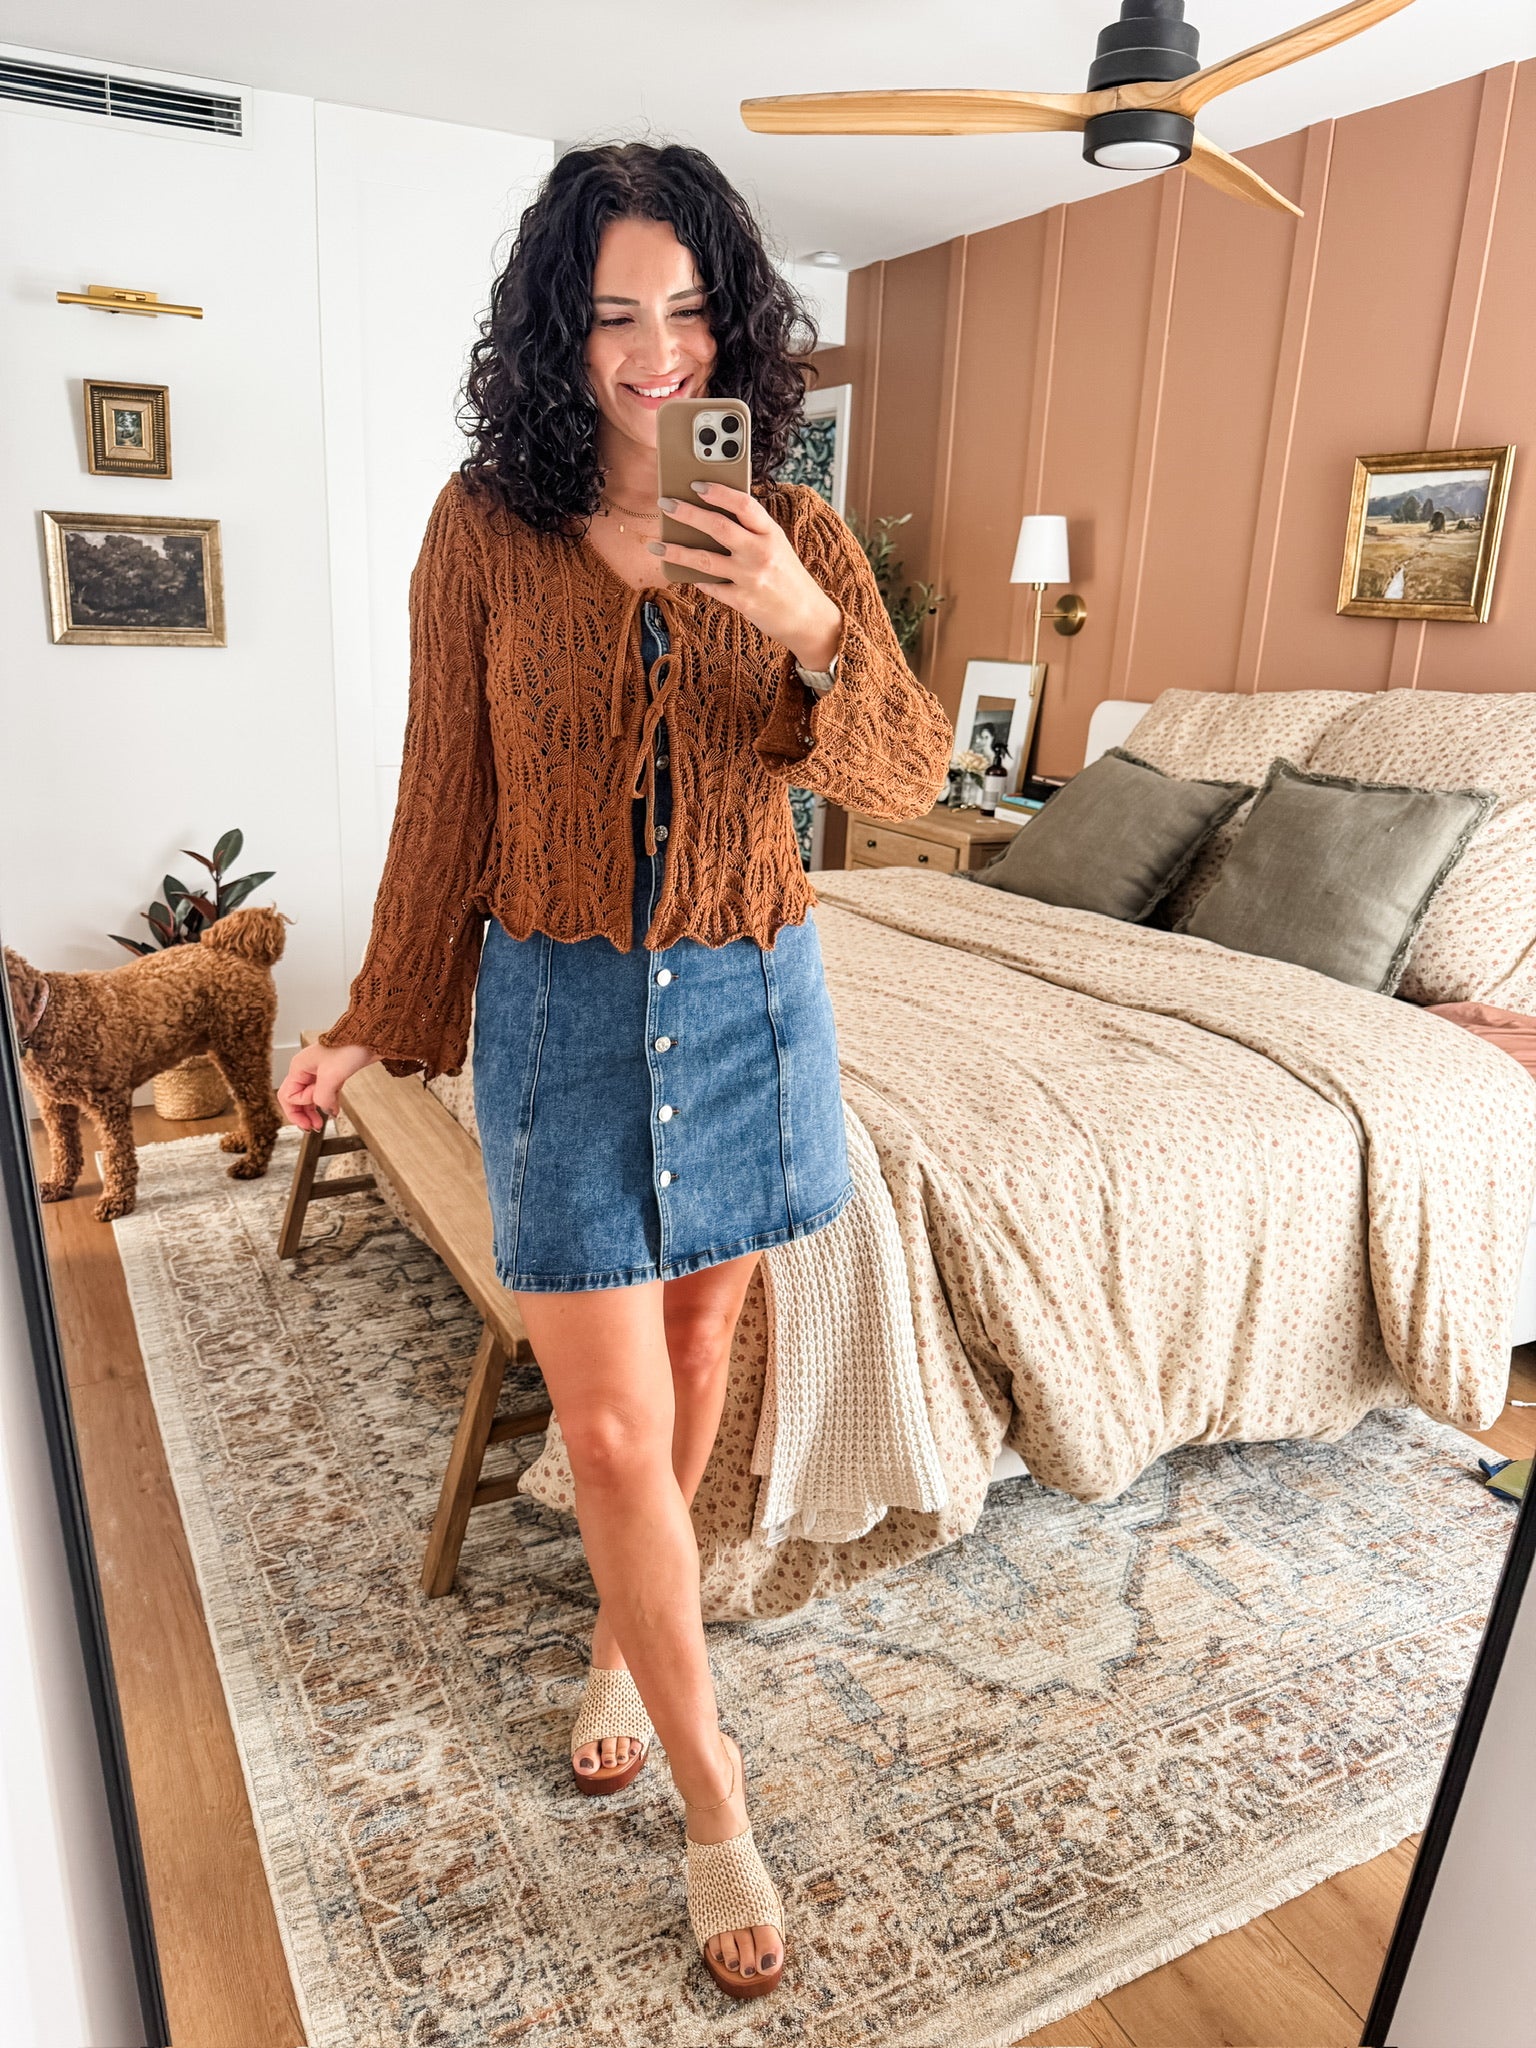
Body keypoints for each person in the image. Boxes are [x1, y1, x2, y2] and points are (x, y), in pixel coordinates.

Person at [278, 139, 952, 2002]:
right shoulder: (483, 528)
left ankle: (614, 1644)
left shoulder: (795, 531)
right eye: (612, 316)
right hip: (561, 1015)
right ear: (554, 338)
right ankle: (716, 1795)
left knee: (703, 1350)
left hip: (750, 1004)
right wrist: (374, 1016)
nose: (658, 351)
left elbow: (906, 780)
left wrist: (807, 628)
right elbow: (443, 800)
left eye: (688, 308)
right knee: (602, 1426)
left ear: (737, 321)